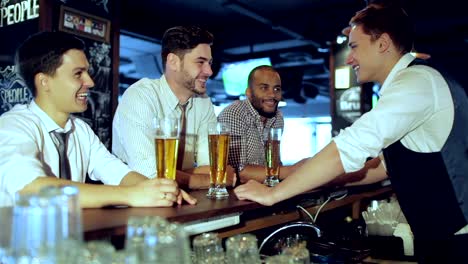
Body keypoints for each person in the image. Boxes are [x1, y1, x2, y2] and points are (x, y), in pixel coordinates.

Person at [234, 4, 468, 263]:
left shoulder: (415, 83)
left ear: (383, 44)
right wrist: (315, 179)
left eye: (355, 46)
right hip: (442, 236)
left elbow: (347, 148)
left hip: (457, 242)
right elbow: (381, 168)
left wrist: (273, 194)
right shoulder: (416, 83)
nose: (348, 58)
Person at [0, 31, 196, 208]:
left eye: (87, 72)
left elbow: (117, 173)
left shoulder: (80, 130)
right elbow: (29, 188)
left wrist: (161, 190)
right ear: (44, 82)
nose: (90, 82)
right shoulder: (13, 125)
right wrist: (131, 195)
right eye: (78, 74)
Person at [112, 26, 235, 189]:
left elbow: (213, 167)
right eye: (200, 62)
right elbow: (150, 175)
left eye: (210, 63)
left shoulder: (203, 102)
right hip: (134, 204)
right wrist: (211, 179)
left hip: (182, 201)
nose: (209, 71)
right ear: (173, 62)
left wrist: (179, 175)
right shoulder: (140, 96)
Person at [218, 65, 305, 183]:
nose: (272, 95)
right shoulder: (235, 113)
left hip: (265, 192)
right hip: (236, 195)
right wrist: (294, 170)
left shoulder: (278, 117)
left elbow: (275, 165)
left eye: (276, 89)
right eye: (264, 88)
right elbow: (238, 173)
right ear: (249, 92)